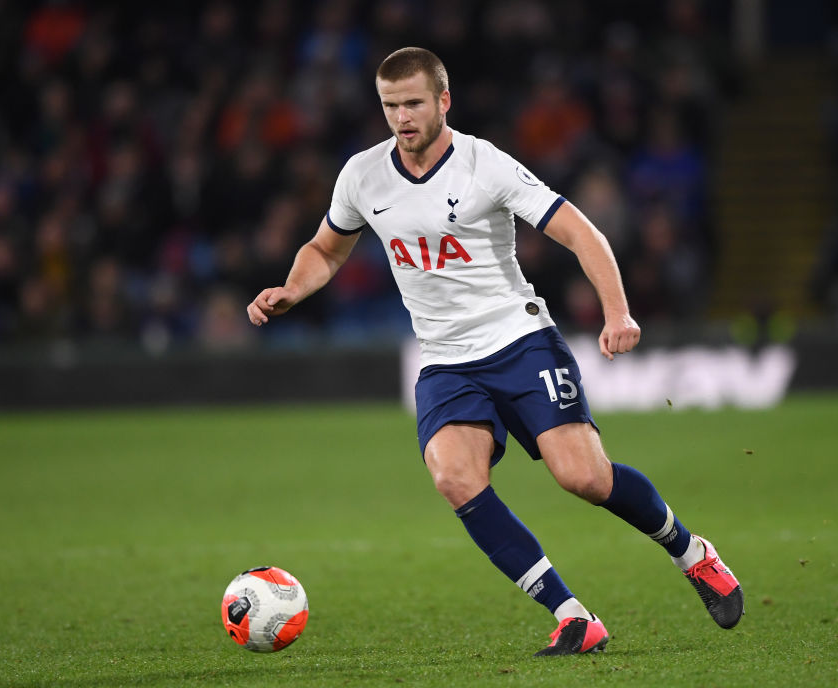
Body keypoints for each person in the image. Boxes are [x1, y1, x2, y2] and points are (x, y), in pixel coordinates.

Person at [247, 47, 743, 656]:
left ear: (443, 101)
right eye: (390, 105)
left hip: (518, 340)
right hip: (444, 358)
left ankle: (692, 553)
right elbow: (326, 249)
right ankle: (572, 617)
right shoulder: (362, 175)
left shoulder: (485, 165)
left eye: (413, 104)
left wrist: (618, 313)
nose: (402, 117)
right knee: (454, 477)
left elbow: (580, 232)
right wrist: (292, 290)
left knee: (583, 477)